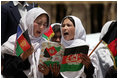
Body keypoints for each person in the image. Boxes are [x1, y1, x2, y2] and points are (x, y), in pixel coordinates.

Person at [1, 7, 50, 78]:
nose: (42, 27)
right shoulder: (15, 40)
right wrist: (23, 56)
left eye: (45, 24)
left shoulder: (46, 44)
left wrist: (47, 73)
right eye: (39, 23)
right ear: (29, 21)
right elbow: (7, 72)